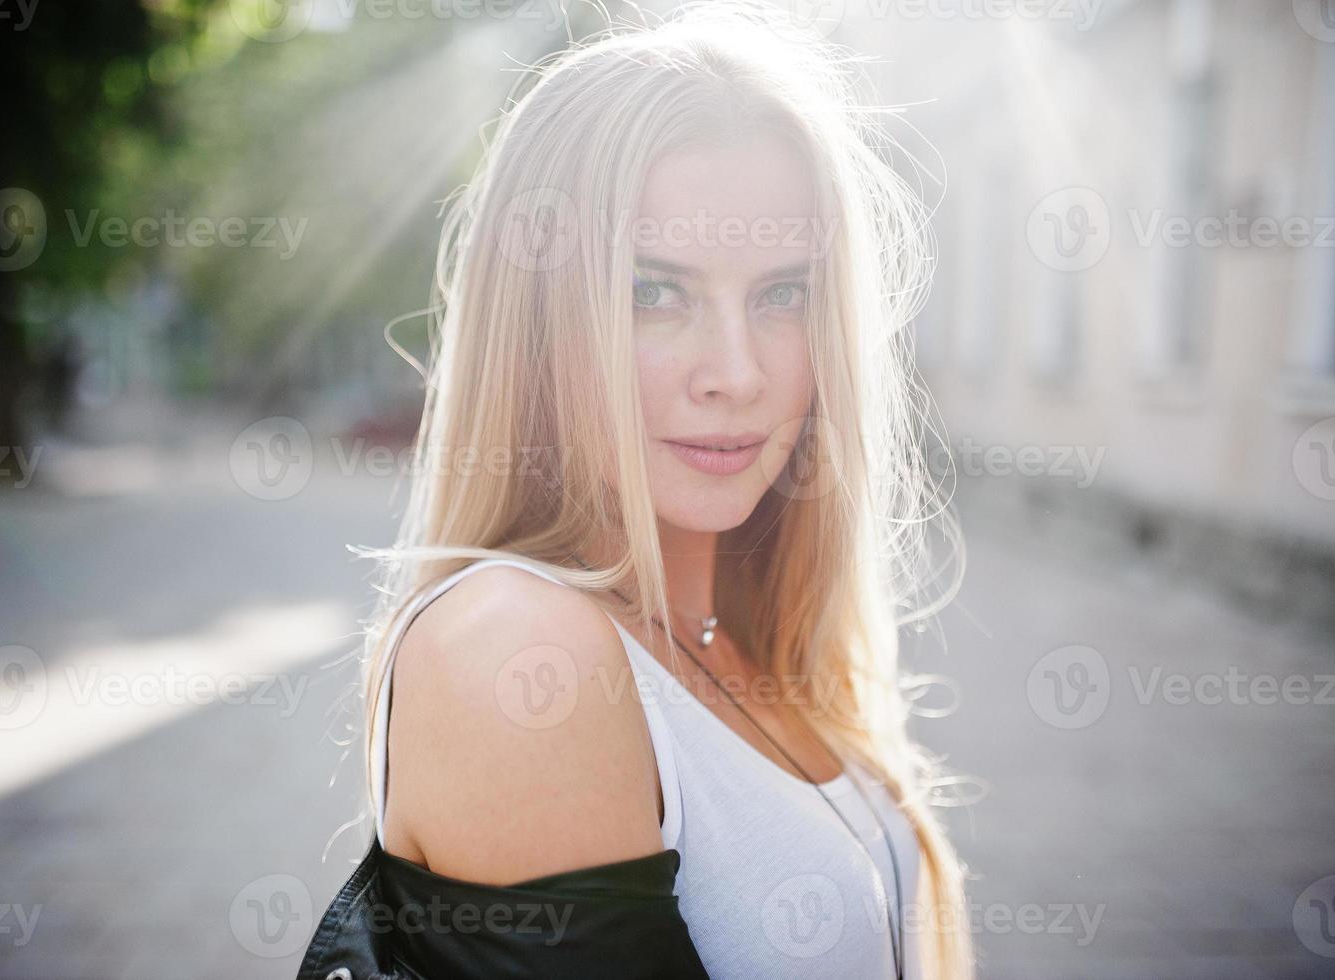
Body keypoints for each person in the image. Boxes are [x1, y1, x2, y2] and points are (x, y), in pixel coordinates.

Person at [345, 2, 972, 976]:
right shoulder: (519, 649)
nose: (737, 371)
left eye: (783, 294)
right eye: (654, 291)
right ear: (539, 319)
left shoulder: (748, 629)